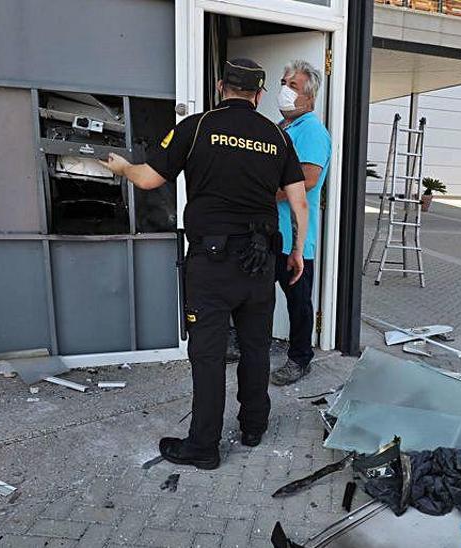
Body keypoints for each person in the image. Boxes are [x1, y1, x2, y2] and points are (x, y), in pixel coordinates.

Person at [102, 58, 309, 470]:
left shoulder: (195, 127)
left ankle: (204, 446)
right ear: (260, 94)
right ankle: (253, 427)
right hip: (260, 260)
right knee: (255, 347)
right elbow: (299, 202)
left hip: (211, 265)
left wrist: (123, 167)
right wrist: (297, 251)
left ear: (220, 87)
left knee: (209, 355)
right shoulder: (277, 136)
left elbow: (148, 179)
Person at [269, 60, 332, 386]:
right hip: (271, 234)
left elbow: (307, 179)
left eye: (292, 85)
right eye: (283, 82)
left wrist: (263, 194)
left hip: (296, 238)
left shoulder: (312, 131)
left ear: (309, 97)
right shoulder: (283, 127)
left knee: (298, 302)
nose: (284, 89)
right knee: (259, 296)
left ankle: (299, 359)